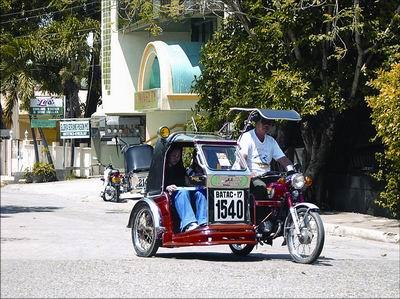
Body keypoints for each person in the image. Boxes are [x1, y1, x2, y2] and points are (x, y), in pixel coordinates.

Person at [238, 113, 295, 199]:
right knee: (261, 188)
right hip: (252, 177)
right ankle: (259, 212)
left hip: (268, 176)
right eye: (264, 122)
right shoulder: (247, 137)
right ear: (257, 123)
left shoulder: (271, 141)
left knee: (284, 188)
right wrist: (248, 173)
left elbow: (283, 159)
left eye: (270, 123)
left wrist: (291, 170)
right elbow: (242, 158)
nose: (267, 125)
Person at [164, 146, 207, 232]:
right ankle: (189, 224)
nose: (176, 158)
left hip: (185, 193)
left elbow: (186, 182)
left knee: (200, 192)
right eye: (173, 156)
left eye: (178, 156)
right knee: (182, 192)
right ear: (168, 155)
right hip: (171, 195)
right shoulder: (163, 168)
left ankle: (203, 221)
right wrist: (167, 187)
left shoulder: (181, 168)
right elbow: (159, 183)